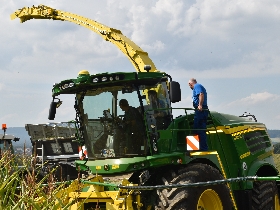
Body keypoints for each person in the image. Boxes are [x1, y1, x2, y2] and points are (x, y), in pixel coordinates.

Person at [188, 78, 208, 151]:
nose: (190, 87)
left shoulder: (197, 86)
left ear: (190, 84)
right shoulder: (198, 86)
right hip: (199, 110)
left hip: (200, 110)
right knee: (198, 129)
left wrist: (200, 105)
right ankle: (197, 147)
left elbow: (201, 94)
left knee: (198, 128)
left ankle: (202, 148)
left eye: (189, 85)